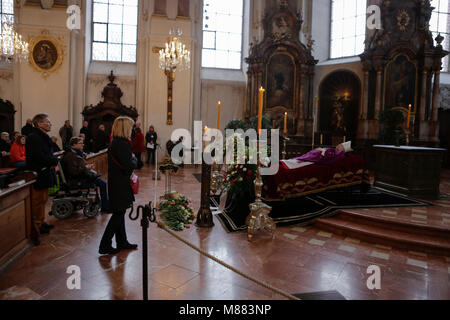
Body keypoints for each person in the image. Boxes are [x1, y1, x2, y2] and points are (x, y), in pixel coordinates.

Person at [99, 116, 138, 255]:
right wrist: (134, 159)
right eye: (131, 127)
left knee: (120, 212)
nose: (132, 130)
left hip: (117, 181)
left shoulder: (116, 142)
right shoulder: (122, 143)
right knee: (118, 213)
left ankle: (122, 241)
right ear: (125, 128)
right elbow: (128, 166)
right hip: (120, 182)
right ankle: (105, 244)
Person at [26, 114, 58, 235]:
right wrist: (54, 161)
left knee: (44, 199)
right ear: (39, 124)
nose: (50, 124)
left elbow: (47, 153)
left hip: (45, 172)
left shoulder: (43, 136)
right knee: (37, 200)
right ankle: (36, 225)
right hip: (38, 173)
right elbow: (38, 156)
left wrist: (52, 159)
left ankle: (41, 221)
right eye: (47, 122)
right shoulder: (33, 137)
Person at [61, 137, 109, 212]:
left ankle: (103, 204)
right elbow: (73, 172)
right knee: (103, 183)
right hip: (76, 180)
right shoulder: (70, 155)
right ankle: (105, 207)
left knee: (100, 180)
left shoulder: (74, 153)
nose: (83, 145)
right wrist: (86, 167)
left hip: (81, 177)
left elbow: (78, 167)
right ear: (74, 144)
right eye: (81, 143)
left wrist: (86, 167)